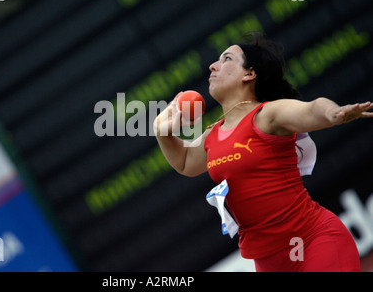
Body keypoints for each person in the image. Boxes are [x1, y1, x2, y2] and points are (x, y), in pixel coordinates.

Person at [153, 32, 373, 272]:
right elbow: (185, 162)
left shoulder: (266, 115)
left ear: (249, 73)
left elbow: (312, 109)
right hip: (270, 263)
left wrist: (333, 113)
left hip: (314, 241)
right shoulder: (212, 135)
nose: (212, 66)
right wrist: (162, 132)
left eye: (226, 59)